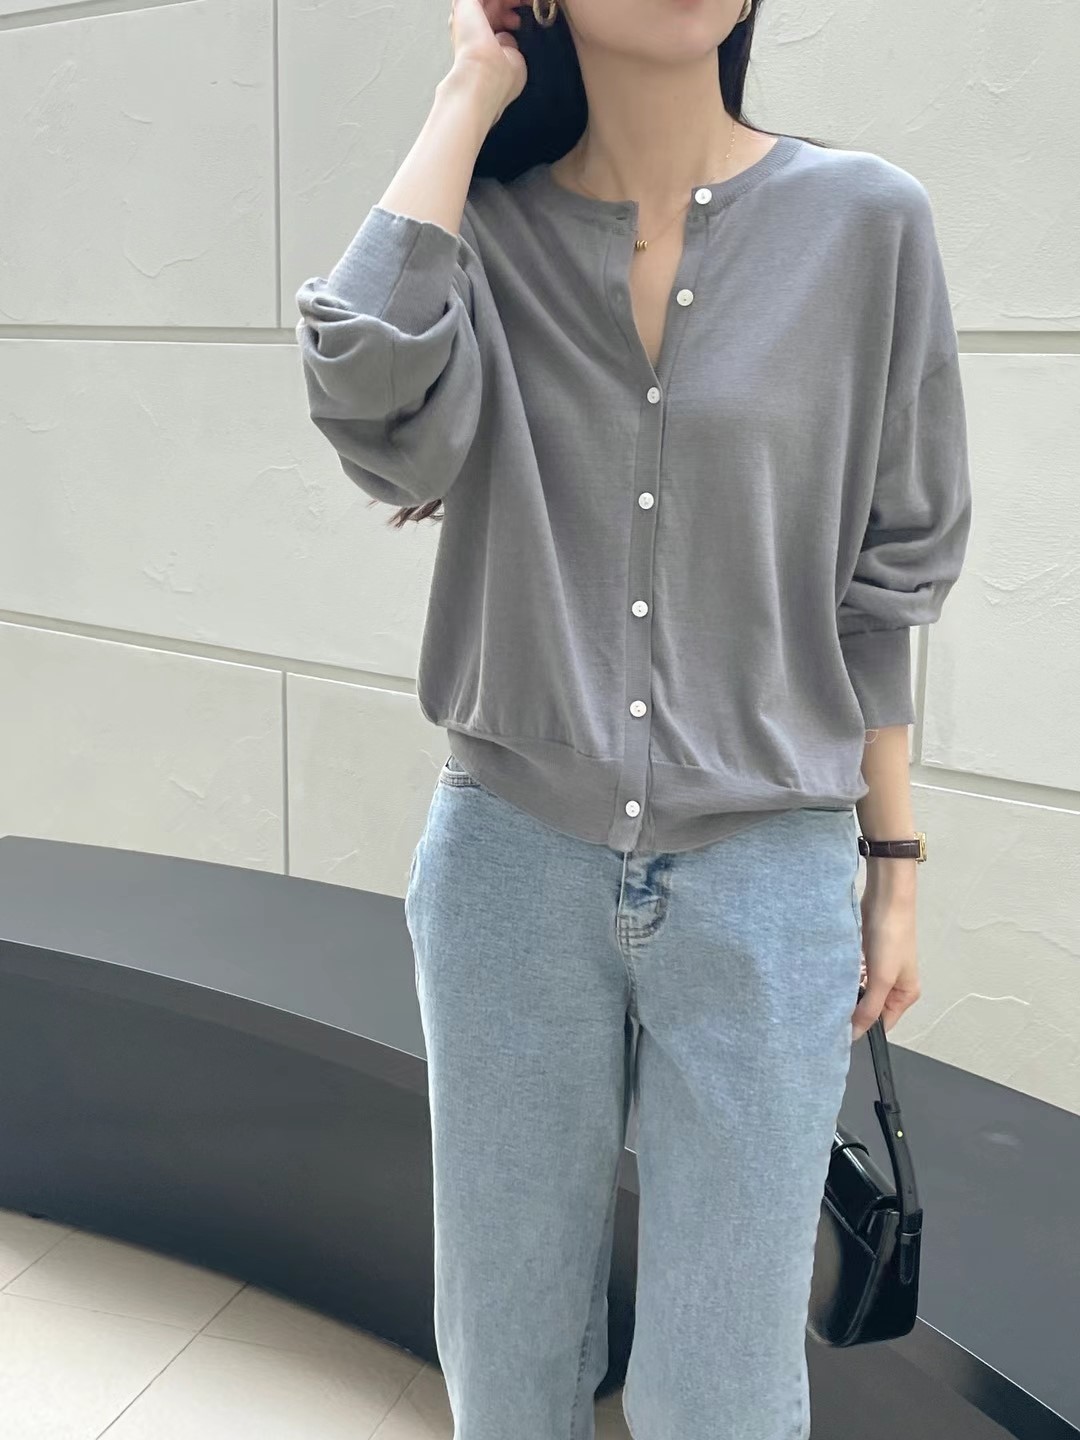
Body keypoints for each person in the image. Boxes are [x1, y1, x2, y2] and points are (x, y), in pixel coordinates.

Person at [294, 0, 972, 1434]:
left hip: (767, 874)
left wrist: (894, 864)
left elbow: (885, 578)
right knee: (508, 1348)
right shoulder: (486, 238)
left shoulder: (866, 224)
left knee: (724, 1382)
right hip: (509, 864)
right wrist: (469, 92)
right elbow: (365, 397)